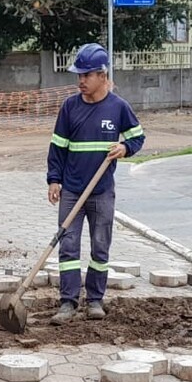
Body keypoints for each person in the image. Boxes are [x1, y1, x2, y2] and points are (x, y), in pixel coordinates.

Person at [47, 43, 145, 325]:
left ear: (102, 75)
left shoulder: (118, 108)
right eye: (78, 75)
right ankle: (67, 302)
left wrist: (125, 148)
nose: (80, 80)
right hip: (72, 190)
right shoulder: (70, 107)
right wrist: (54, 179)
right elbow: (58, 148)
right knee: (68, 247)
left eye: (86, 75)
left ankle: (95, 300)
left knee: (100, 247)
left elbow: (138, 137)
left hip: (101, 191)